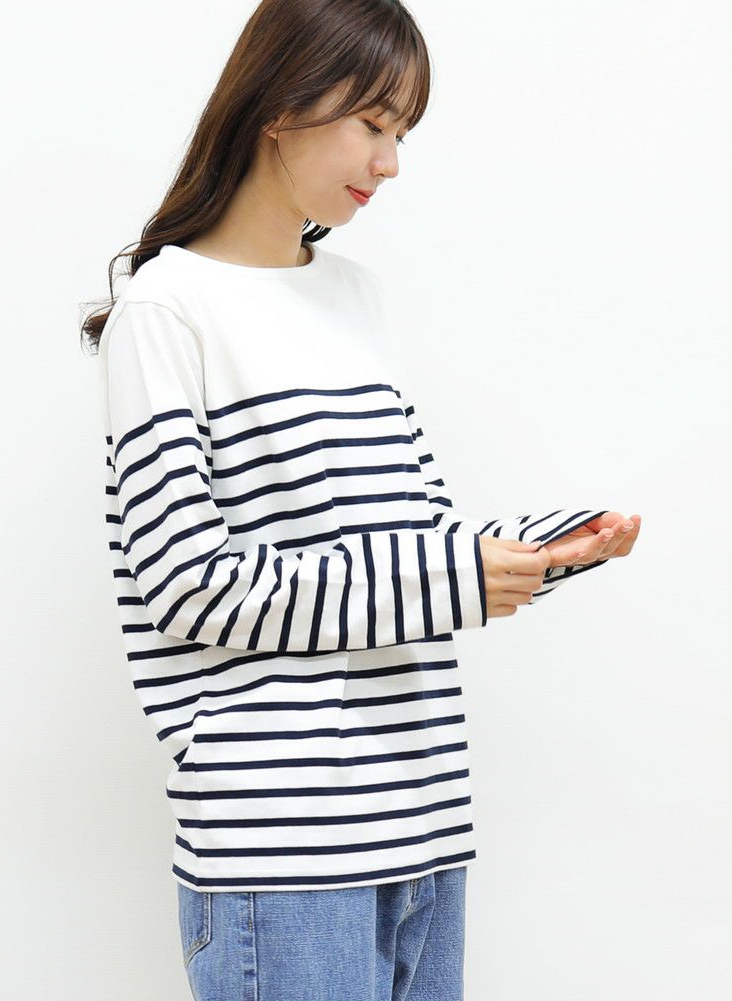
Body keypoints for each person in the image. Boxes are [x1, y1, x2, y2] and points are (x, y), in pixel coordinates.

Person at [81, 1, 641, 998]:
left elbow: (408, 546)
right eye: (373, 123)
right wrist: (450, 572)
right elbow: (188, 583)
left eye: (402, 133)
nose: (389, 163)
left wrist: (540, 550)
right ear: (280, 103)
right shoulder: (166, 308)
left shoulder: (353, 296)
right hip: (283, 850)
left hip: (422, 820)